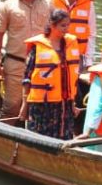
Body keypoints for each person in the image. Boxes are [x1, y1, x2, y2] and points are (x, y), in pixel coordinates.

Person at [0, 0, 53, 118]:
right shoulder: (7, 4)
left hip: (42, 65)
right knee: (11, 107)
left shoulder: (49, 3)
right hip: (16, 63)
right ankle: (1, 133)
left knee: (40, 108)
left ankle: (32, 133)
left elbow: (56, 34)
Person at [20, 9, 81, 140]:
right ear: (52, 25)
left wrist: (73, 103)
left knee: (64, 137)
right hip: (43, 104)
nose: (66, 29)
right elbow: (27, 78)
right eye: (63, 25)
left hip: (64, 104)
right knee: (39, 138)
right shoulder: (38, 47)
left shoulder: (70, 45)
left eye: (68, 25)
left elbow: (72, 78)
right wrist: (25, 104)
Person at [46, 0, 96, 71]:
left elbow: (92, 34)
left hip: (77, 55)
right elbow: (44, 27)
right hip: (54, 51)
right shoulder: (52, 0)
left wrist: (89, 60)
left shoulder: (89, 5)